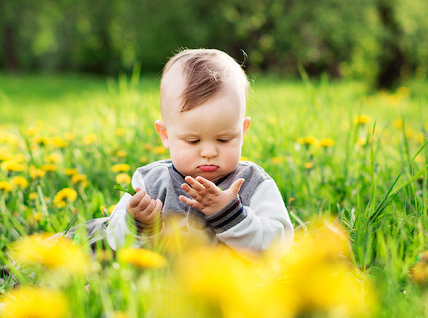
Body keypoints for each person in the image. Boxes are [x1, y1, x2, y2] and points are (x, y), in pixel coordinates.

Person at [89, 48, 293, 256]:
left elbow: (279, 247)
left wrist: (232, 215)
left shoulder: (253, 184)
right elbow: (116, 242)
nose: (209, 152)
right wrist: (138, 223)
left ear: (242, 131)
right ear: (165, 134)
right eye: (192, 140)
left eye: (224, 139)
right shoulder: (149, 183)